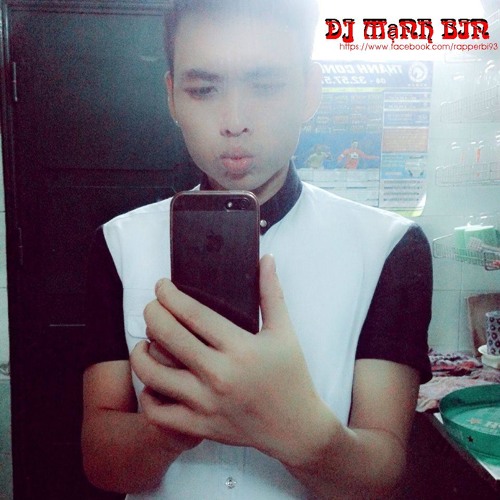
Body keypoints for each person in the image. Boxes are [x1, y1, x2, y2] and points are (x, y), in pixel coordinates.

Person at [81, 1, 433, 499]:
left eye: (266, 86)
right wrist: (174, 423)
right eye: (203, 89)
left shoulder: (389, 247)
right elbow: (100, 461)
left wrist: (296, 428)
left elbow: (381, 472)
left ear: (310, 91)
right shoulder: (119, 244)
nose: (234, 121)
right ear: (172, 97)